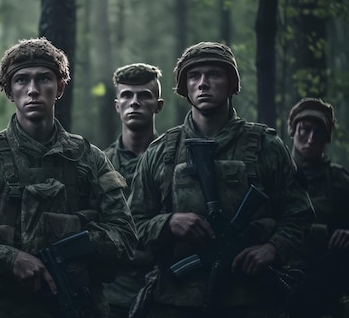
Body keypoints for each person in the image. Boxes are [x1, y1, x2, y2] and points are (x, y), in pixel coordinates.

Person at [0, 38, 137, 318]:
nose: (32, 90)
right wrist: (11, 259)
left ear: (60, 87)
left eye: (44, 78)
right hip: (5, 307)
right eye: (21, 80)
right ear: (9, 91)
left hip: (80, 305)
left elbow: (126, 236)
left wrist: (79, 245)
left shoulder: (89, 158)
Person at [128, 41, 314, 318]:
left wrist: (272, 248)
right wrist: (167, 223)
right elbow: (131, 224)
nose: (203, 83)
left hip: (250, 301)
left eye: (213, 74)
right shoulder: (161, 151)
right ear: (185, 88)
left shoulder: (266, 146)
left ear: (231, 83)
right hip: (175, 302)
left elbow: (299, 214)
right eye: (194, 76)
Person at [102, 63, 163, 317]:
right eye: (127, 95)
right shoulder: (99, 165)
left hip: (166, 288)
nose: (134, 102)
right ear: (117, 106)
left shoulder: (176, 160)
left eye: (143, 96)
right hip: (113, 293)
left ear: (158, 105)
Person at [284, 98, 349, 318]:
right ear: (293, 131)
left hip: (324, 284)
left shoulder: (339, 181)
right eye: (304, 130)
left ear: (326, 139)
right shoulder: (273, 174)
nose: (310, 139)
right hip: (278, 279)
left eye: (318, 133)